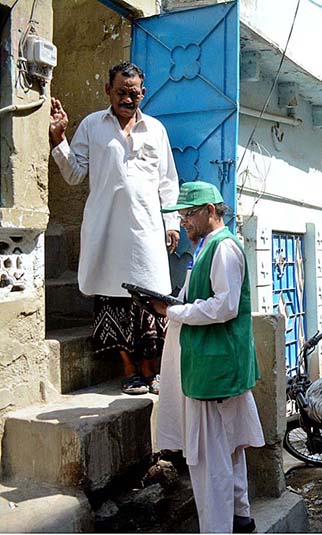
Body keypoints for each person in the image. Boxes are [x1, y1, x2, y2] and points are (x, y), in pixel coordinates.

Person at [49, 61, 179, 395]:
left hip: (147, 229)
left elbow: (168, 182)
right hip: (105, 228)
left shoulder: (156, 130)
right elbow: (75, 173)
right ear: (108, 90)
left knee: (151, 300)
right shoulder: (93, 125)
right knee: (112, 299)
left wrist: (172, 223)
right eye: (121, 92)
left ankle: (153, 371)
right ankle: (129, 371)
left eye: (133, 94)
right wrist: (59, 139)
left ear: (143, 93)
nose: (127, 99)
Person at [150, 182, 264, 533]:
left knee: (210, 459)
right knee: (228, 450)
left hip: (215, 371)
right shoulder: (204, 249)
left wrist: (176, 312)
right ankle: (240, 518)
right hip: (211, 367)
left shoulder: (223, 248)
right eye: (181, 215)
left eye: (188, 214)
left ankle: (218, 527)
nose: (183, 222)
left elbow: (225, 305)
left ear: (210, 211)